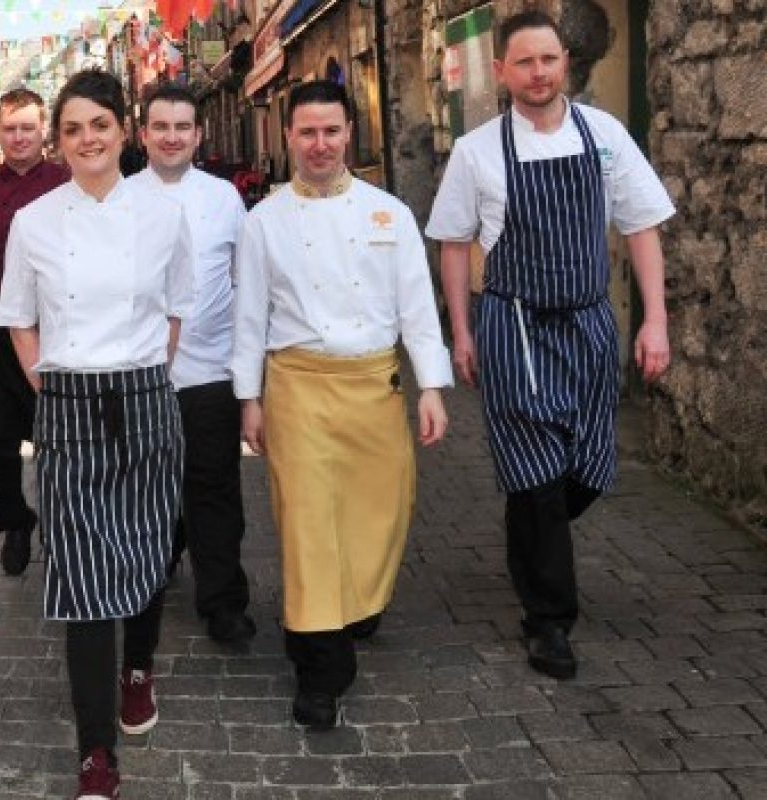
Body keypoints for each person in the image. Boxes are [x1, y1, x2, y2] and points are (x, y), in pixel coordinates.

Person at [425, 10, 674, 681]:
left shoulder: (606, 137)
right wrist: (462, 332)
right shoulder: (478, 151)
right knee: (535, 479)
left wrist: (656, 320)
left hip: (590, 324)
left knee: (588, 468)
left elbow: (644, 226)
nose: (538, 73)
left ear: (565, 63)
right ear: (502, 73)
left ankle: (532, 538)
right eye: (524, 63)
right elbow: (453, 244)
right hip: (515, 327)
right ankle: (549, 621)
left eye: (549, 60)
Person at [0, 69, 193, 799]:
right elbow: (18, 316)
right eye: (72, 129)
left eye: (99, 126)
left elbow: (176, 308)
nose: (87, 140)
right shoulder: (35, 221)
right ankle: (94, 750)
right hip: (69, 403)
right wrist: (49, 384)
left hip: (143, 393)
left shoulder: (163, 215)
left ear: (123, 131)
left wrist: (143, 373)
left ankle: (137, 668)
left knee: (144, 548)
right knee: (80, 575)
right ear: (60, 139)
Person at [233, 80, 451, 730]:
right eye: (307, 132)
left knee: (379, 512)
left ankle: (355, 605)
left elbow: (417, 305)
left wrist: (431, 386)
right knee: (308, 526)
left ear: (349, 133)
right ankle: (320, 668)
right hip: (297, 388)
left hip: (374, 388)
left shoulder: (389, 213)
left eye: (331, 131)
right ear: (289, 137)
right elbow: (249, 316)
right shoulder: (263, 221)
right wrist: (249, 398)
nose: (320, 144)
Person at [128, 83, 255, 644]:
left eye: (183, 127)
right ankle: (145, 576)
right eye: (161, 127)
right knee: (147, 484)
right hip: (142, 372)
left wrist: (250, 372)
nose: (172, 137)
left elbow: (244, 281)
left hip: (210, 368)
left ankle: (222, 599)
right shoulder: (121, 198)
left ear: (198, 134)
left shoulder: (225, 197)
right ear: (143, 135)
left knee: (214, 485)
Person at [0, 88, 69, 576]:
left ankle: (67, 531)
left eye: (28, 127)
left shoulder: (70, 183)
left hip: (58, 323)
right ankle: (15, 520)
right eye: (10, 128)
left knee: (60, 437)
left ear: (44, 131)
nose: (19, 137)